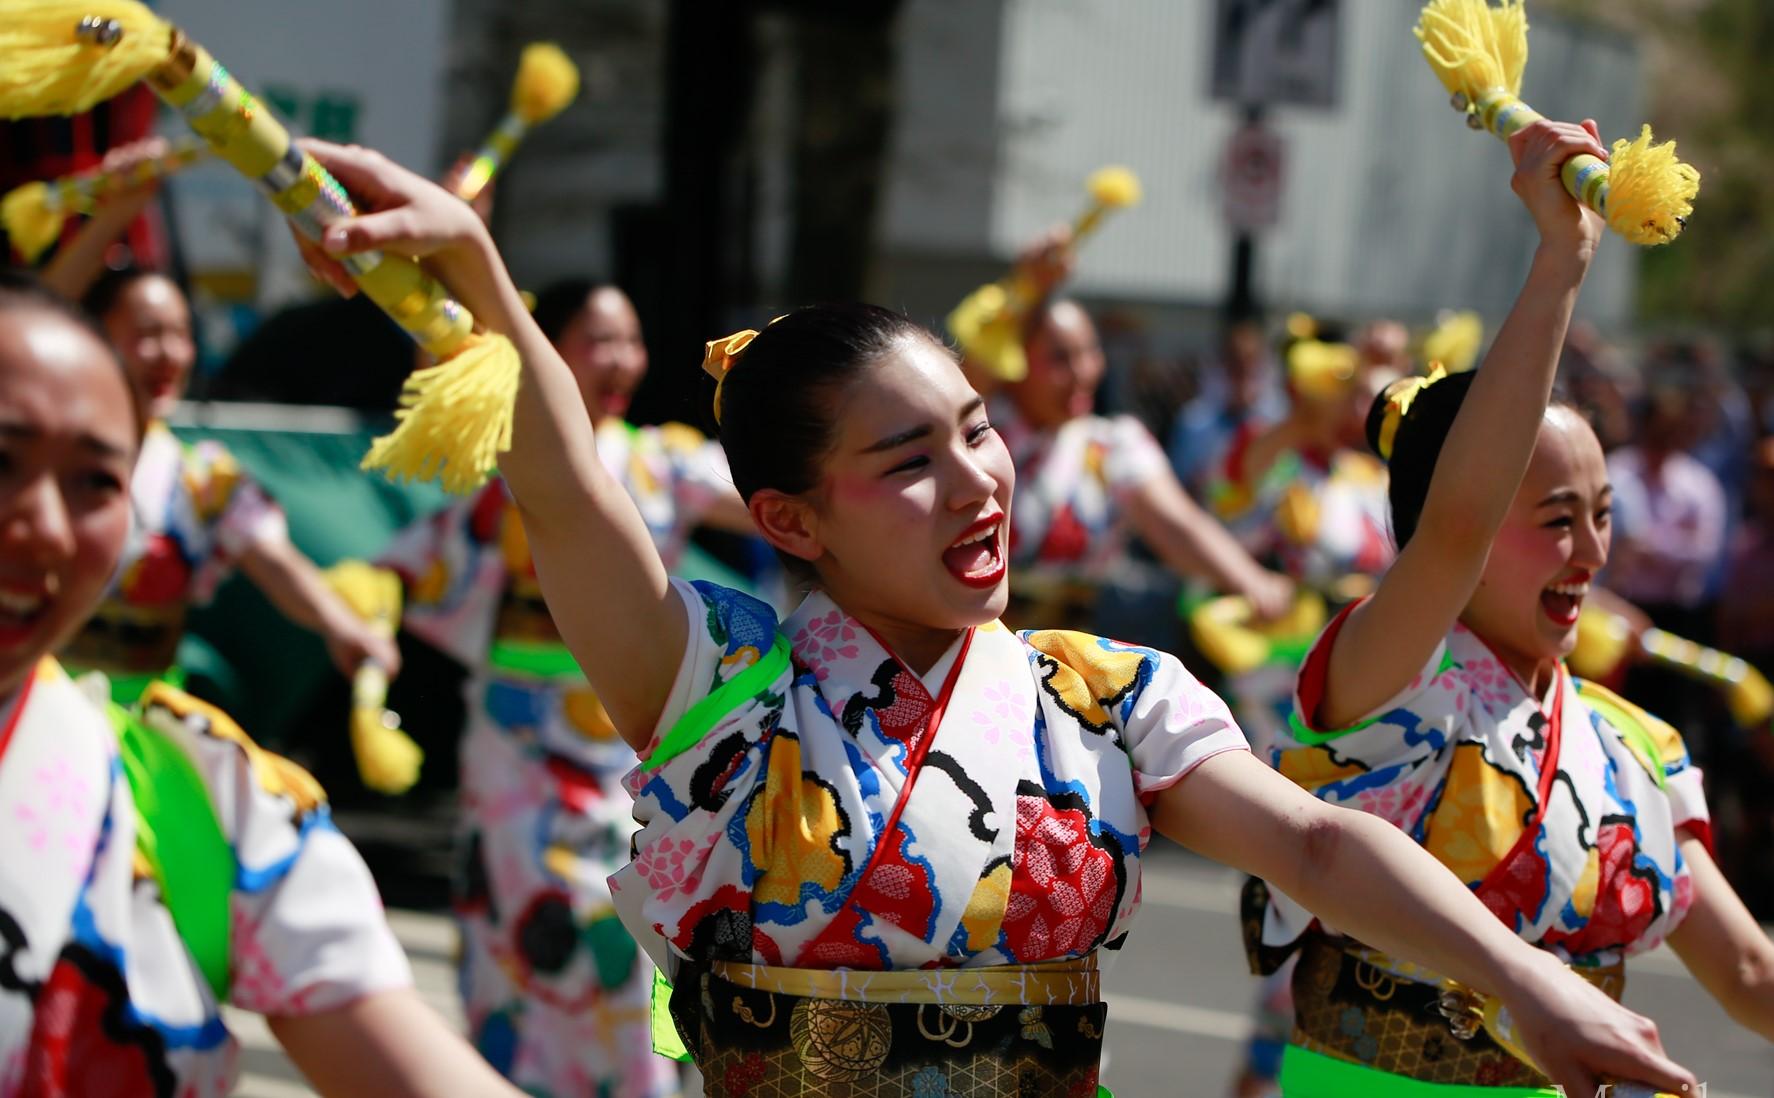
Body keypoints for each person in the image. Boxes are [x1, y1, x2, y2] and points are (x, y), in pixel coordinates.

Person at [289, 131, 1696, 1098]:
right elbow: (562, 484)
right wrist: (480, 274)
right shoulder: (720, 688)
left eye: (976, 429)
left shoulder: (1110, 698)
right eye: (908, 461)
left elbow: (1319, 842)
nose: (978, 479)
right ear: (790, 520)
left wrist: (1527, 983)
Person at [1256, 120, 1774, 1093]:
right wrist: (1561, 261)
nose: (1592, 551)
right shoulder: (1394, 677)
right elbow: (1455, 528)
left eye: (1602, 515)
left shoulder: (1637, 746)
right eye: (1555, 519)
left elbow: (1749, 973)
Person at [0, 273, 519, 1096]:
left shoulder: (203, 796)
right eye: (2, 462)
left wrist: (343, 626)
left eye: (95, 482)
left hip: (121, 718)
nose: (46, 531)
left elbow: (276, 562)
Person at [379, 278, 750, 1097]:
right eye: (600, 340)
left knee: (628, 929)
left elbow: (774, 503)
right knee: (514, 927)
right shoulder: (504, 451)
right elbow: (437, 399)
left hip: (630, 733)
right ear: (548, 350)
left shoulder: (662, 461)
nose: (622, 359)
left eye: (631, 341)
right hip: (512, 742)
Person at [28, 148, 398, 700]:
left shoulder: (202, 479)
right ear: (92, 338)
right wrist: (116, 213)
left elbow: (276, 563)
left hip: (140, 718)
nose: (168, 352)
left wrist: (343, 626)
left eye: (180, 334)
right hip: (43, 707)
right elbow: (35, 318)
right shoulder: (43, 460)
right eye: (147, 332)